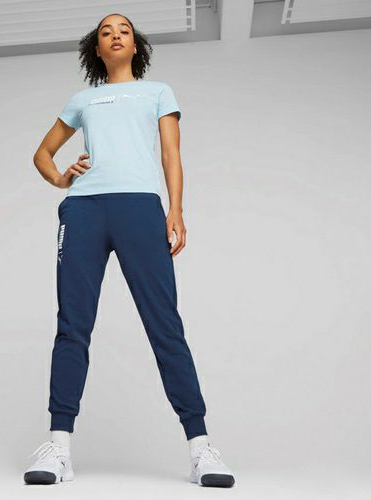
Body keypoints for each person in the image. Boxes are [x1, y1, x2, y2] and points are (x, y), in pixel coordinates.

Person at [24, 12, 236, 488]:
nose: (115, 35)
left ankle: (201, 449)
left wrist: (175, 209)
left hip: (139, 208)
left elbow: (171, 154)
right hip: (84, 210)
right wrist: (61, 179)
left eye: (123, 30)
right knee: (72, 325)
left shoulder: (157, 92)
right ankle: (59, 448)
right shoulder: (83, 99)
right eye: (106, 32)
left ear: (135, 46)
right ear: (96, 49)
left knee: (165, 325)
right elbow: (42, 153)